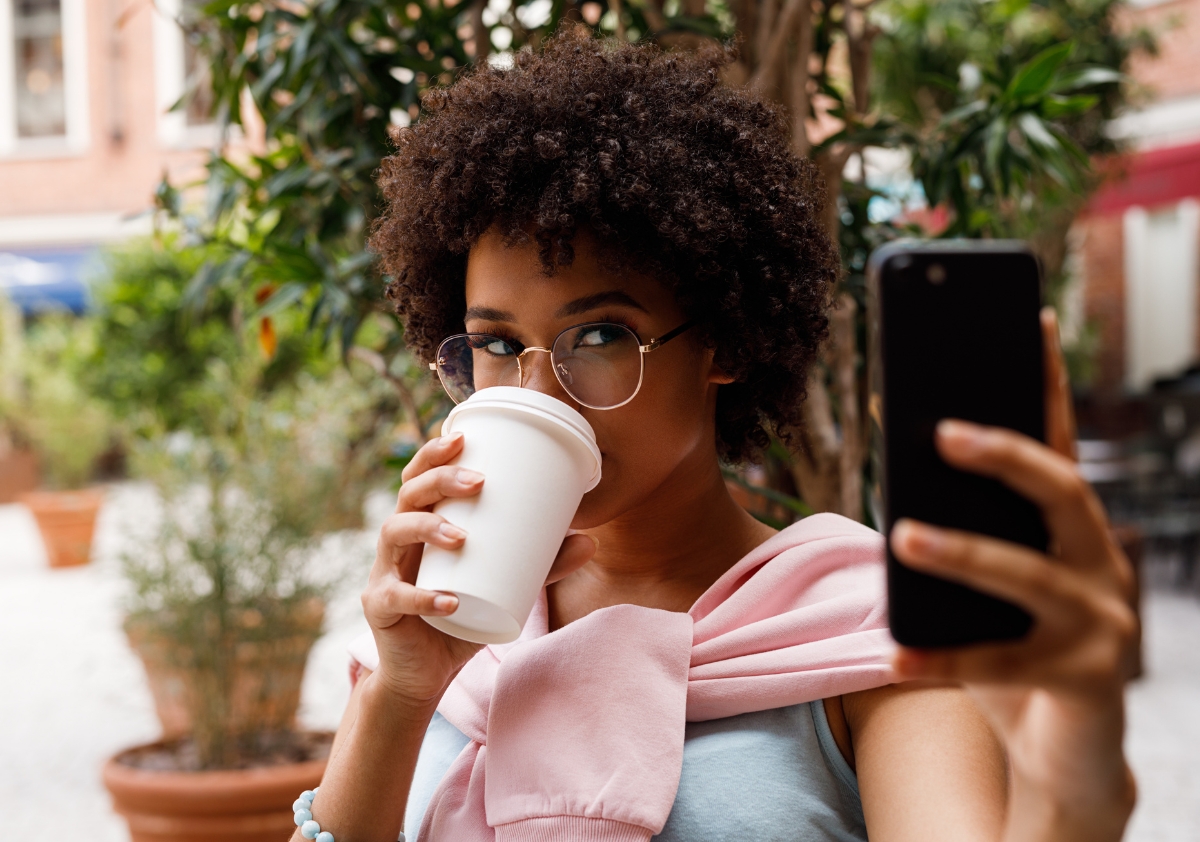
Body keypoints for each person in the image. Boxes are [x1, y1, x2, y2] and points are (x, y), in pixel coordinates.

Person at [294, 27, 1138, 842]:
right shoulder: (459, 632)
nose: (539, 390)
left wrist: (1078, 788)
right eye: (499, 345)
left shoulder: (862, 627)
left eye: (600, 337)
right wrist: (402, 693)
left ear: (723, 344)